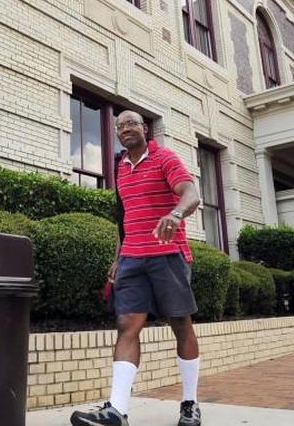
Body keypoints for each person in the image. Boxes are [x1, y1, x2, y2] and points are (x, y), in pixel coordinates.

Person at [70, 111, 204, 426]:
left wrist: (175, 214)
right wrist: (118, 257)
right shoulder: (120, 167)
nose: (125, 129)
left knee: (180, 325)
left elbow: (191, 193)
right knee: (127, 325)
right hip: (132, 257)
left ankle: (190, 403)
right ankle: (116, 410)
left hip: (167, 255)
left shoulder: (164, 158)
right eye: (120, 126)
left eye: (131, 124)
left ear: (144, 129)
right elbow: (125, 218)